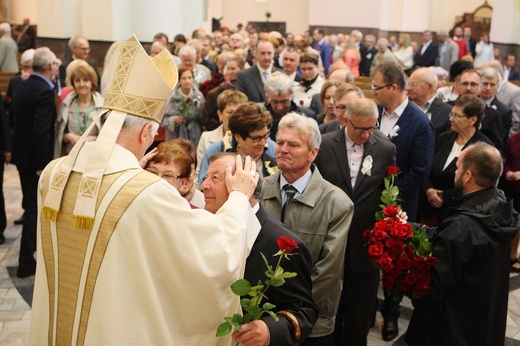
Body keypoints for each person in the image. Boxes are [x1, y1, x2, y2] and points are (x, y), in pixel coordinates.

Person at [29, 35, 261, 345]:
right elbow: (213, 253)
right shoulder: (145, 192)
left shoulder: (53, 174)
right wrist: (237, 197)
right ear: (146, 132)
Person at [201, 152, 318, 345]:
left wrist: (269, 329)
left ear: (246, 185)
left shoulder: (281, 242)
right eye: (206, 177)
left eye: (216, 178)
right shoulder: (205, 226)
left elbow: (304, 310)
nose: (204, 185)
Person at [406, 142, 517, 346]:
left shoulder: (463, 226)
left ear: (467, 176)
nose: (455, 172)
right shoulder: (499, 205)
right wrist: (409, 228)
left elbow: (432, 287)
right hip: (481, 323)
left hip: (451, 330)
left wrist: (404, 273)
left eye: (457, 168)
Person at [261, 112, 353, 346]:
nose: (282, 149)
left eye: (293, 144)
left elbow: (328, 270)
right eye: (280, 142)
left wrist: (293, 312)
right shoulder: (258, 189)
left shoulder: (337, 203)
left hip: (311, 319)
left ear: (313, 153)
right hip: (262, 317)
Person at [315, 98, 396, 346]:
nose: (366, 134)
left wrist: (389, 223)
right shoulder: (325, 145)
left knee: (359, 308)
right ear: (344, 121)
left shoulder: (385, 149)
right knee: (325, 303)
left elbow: (391, 191)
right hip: (328, 235)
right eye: (359, 128)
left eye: (371, 128)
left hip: (366, 239)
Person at [372, 62, 434, 341]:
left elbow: (420, 170)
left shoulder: (419, 122)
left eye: (377, 87)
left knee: (394, 263)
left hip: (399, 205)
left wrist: (390, 197)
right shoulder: (372, 114)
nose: (373, 92)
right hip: (368, 200)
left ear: (393, 87)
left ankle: (391, 315)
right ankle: (365, 309)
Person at [11, 47, 59, 278]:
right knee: (33, 210)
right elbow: (41, 131)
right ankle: (26, 262)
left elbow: (14, 120)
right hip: (35, 161)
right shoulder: (43, 91)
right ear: (50, 66)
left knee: (30, 206)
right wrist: (43, 164)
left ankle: (28, 257)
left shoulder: (22, 85)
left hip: (21, 157)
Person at [422, 95, 493, 225]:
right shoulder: (444, 138)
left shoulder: (483, 149)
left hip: (460, 216)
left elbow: (479, 185)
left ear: (472, 120)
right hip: (429, 210)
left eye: (456, 116)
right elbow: (427, 167)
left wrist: (445, 196)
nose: (451, 119)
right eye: (451, 114)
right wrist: (429, 189)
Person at [199, 102, 276, 185]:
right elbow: (205, 186)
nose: (263, 142)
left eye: (265, 136)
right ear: (238, 137)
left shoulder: (273, 156)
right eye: (256, 138)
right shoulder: (217, 151)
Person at [54, 60, 104, 158]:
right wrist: (68, 136)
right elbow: (59, 134)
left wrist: (90, 139)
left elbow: (108, 136)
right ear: (73, 84)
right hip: (70, 155)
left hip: (93, 156)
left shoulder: (102, 105)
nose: (81, 84)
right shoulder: (66, 104)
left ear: (92, 82)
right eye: (77, 80)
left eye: (85, 80)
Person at [196, 90, 248, 179]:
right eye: (230, 112)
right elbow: (198, 174)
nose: (235, 116)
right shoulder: (206, 138)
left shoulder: (251, 139)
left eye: (239, 112)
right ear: (220, 114)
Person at [450, 69, 503, 150]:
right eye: (465, 83)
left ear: (480, 86)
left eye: (473, 84)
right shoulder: (446, 108)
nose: (468, 88)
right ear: (458, 85)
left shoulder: (492, 114)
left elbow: (496, 147)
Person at [264, 71, 316, 140]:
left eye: (284, 101)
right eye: (275, 102)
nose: (279, 107)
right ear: (267, 97)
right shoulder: (260, 117)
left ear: (291, 95)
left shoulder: (307, 116)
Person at [162, 66, 205, 146]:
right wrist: (174, 120)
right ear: (179, 81)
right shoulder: (172, 97)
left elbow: (203, 118)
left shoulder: (199, 96)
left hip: (194, 134)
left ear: (193, 79)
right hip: (175, 135)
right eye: (184, 78)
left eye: (189, 78)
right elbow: (164, 120)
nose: (187, 81)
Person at [201, 56, 244, 131]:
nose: (230, 71)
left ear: (241, 69)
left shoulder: (246, 88)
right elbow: (206, 118)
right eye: (228, 68)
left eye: (233, 68)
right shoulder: (214, 93)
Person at [406, 67, 451, 139]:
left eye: (413, 85)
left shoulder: (447, 111)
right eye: (408, 84)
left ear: (429, 87)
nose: (408, 88)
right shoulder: (403, 106)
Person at [479, 67, 512, 145]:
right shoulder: (470, 104)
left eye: (492, 85)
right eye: (485, 83)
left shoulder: (504, 111)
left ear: (497, 87)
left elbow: (501, 139)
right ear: (479, 84)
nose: (488, 88)